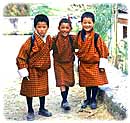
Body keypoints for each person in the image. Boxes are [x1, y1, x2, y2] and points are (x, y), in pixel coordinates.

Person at [16, 14, 52, 121]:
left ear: (47, 27)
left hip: (43, 70)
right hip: (31, 70)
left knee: (42, 90)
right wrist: (23, 70)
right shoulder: (30, 41)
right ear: (35, 27)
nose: (41, 30)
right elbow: (21, 57)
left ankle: (42, 108)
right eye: (39, 27)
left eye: (44, 27)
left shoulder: (49, 40)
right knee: (29, 91)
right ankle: (30, 110)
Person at [75, 12, 109, 109]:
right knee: (87, 83)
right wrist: (78, 54)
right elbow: (76, 47)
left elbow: (103, 51)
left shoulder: (96, 37)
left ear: (93, 23)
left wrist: (102, 65)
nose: (87, 25)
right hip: (84, 64)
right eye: (85, 22)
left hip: (94, 64)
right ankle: (88, 99)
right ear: (81, 23)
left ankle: (93, 99)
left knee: (94, 83)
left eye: (89, 23)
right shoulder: (79, 35)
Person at [52, 18, 76, 111]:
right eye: (63, 28)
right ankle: (65, 100)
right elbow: (46, 47)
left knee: (67, 82)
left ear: (70, 29)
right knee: (62, 81)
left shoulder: (72, 38)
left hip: (69, 63)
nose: (65, 30)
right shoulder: (55, 38)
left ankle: (64, 99)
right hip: (58, 63)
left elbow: (81, 45)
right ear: (59, 28)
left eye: (67, 28)